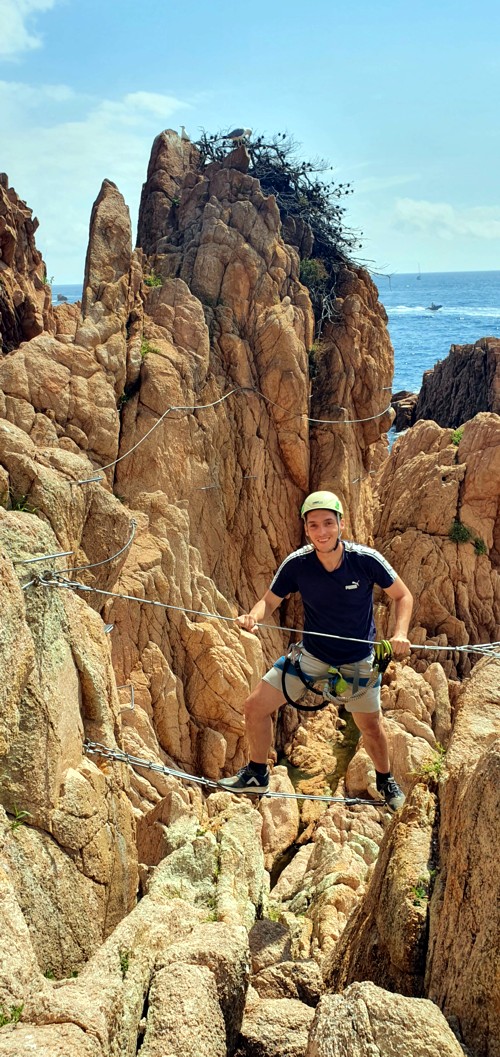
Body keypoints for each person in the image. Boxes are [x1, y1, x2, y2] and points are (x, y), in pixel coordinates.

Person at [218, 491, 413, 811]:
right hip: (312, 657)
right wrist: (253, 616)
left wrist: (401, 633)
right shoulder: (298, 564)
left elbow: (403, 595)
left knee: (370, 726)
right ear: (306, 529)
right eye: (314, 525)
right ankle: (256, 773)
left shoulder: (365, 560)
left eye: (328, 523)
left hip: (358, 661)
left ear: (341, 524)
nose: (322, 531)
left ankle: (385, 780)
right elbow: (270, 600)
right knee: (255, 707)